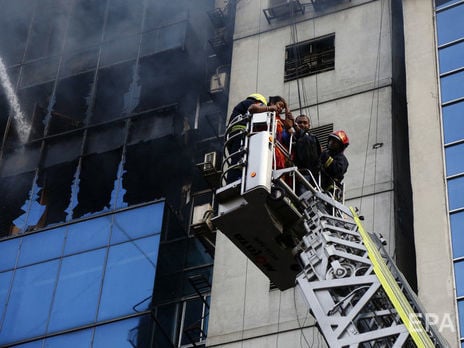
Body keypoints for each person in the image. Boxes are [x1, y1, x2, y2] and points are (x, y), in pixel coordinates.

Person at [225, 93, 282, 183]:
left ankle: (235, 179)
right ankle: (235, 180)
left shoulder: (241, 106)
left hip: (234, 135)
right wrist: (270, 108)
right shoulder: (250, 103)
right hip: (241, 132)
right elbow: (254, 108)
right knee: (240, 160)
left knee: (238, 159)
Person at [293, 114, 322, 187]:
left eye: (305, 123)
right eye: (299, 122)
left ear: (309, 126)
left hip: (307, 175)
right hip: (293, 175)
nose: (302, 125)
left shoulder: (311, 138)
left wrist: (300, 132)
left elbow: (309, 158)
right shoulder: (292, 137)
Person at [320, 130, 349, 200]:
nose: (332, 143)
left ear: (341, 146)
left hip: (329, 189)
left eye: (335, 142)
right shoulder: (326, 153)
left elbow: (337, 170)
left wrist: (324, 156)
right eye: (331, 140)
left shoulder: (342, 159)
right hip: (318, 183)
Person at [267, 96, 294, 170]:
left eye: (283, 107)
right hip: (267, 148)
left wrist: (286, 106)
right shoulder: (265, 112)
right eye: (280, 105)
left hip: (279, 153)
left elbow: (289, 125)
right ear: (272, 103)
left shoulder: (280, 120)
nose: (281, 109)